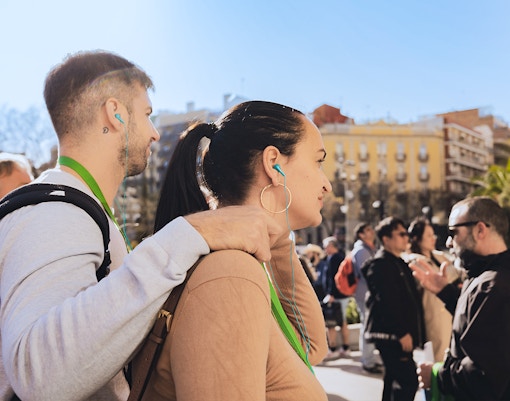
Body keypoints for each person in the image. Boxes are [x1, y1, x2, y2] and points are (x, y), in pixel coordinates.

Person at [0, 51, 280, 401]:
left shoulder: (76, 209)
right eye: (147, 114)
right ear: (114, 113)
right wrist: (191, 234)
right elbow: (39, 373)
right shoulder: (55, 211)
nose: (154, 134)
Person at [139, 100, 330, 400]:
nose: (326, 183)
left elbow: (309, 348)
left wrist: (278, 240)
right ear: (273, 164)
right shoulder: (230, 275)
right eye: (318, 161)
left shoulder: (241, 264)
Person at [411, 197, 510, 400]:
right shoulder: (488, 277)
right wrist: (446, 293)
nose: (448, 242)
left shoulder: (494, 285)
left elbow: (483, 376)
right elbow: (481, 323)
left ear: (480, 230)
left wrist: (438, 376)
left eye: (453, 232)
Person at [362, 216, 425, 401]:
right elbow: (387, 302)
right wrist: (402, 332)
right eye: (401, 234)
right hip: (393, 336)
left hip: (399, 335)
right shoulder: (381, 264)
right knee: (408, 381)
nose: (407, 238)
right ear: (386, 239)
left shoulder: (397, 262)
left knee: (393, 380)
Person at [404, 217, 461, 363]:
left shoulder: (439, 256)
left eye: (433, 234)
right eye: (428, 235)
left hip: (450, 310)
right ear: (417, 239)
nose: (433, 238)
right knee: (438, 354)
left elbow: (457, 274)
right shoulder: (414, 261)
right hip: (434, 314)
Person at [351, 222, 381, 373]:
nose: (372, 231)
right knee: (367, 326)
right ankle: (367, 361)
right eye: (368, 229)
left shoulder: (369, 249)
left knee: (369, 325)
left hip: (368, 293)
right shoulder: (362, 251)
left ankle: (370, 358)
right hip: (365, 294)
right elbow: (368, 274)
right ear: (361, 234)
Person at [317, 236, 352, 360]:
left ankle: (333, 349)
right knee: (342, 322)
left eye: (326, 246)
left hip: (335, 296)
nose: (324, 249)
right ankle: (345, 347)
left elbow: (333, 278)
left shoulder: (333, 259)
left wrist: (330, 294)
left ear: (332, 246)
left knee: (331, 323)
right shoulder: (339, 257)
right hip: (341, 295)